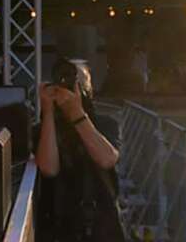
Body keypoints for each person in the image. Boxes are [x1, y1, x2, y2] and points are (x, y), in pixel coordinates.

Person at [35, 58, 125, 242]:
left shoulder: (106, 124)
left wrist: (77, 114)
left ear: (88, 89)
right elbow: (49, 167)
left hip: (101, 226)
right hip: (58, 227)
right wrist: (48, 112)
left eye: (78, 82)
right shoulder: (44, 129)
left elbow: (107, 159)